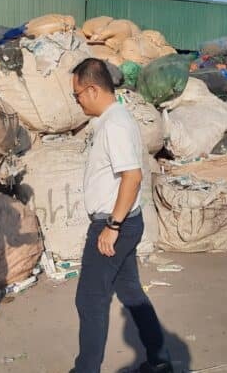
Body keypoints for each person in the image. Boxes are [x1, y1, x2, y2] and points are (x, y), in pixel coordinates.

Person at [70, 58, 173, 373]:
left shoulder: (115, 124)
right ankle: (158, 359)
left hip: (115, 223)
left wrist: (112, 226)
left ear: (92, 89)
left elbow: (132, 176)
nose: (76, 101)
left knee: (90, 300)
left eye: (77, 95)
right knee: (129, 291)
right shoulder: (112, 121)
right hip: (124, 220)